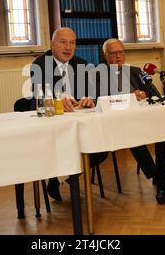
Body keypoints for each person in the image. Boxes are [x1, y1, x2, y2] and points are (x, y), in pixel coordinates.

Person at [98, 38, 165, 204]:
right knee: (132, 135)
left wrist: (145, 94)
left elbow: (155, 93)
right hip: (117, 123)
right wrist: (127, 98)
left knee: (163, 127)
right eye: (113, 53)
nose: (118, 56)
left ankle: (162, 172)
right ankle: (159, 177)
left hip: (143, 118)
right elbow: (99, 100)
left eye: (121, 52)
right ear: (105, 56)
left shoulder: (136, 71)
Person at [30, 27, 108, 201]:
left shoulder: (80, 64)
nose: (68, 47)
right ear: (52, 44)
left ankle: (65, 177)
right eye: (63, 42)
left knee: (102, 149)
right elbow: (40, 97)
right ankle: (59, 177)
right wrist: (59, 99)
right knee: (65, 146)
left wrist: (90, 100)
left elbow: (93, 93)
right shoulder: (40, 64)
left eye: (72, 43)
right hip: (52, 124)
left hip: (78, 123)